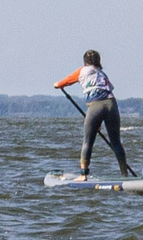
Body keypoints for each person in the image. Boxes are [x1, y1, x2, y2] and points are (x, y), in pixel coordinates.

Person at [53, 50, 129, 178]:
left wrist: (56, 84)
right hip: (112, 104)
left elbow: (60, 84)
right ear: (99, 61)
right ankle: (125, 174)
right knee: (116, 142)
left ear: (85, 62)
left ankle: (83, 175)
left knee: (87, 142)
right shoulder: (102, 74)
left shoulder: (82, 71)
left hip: (95, 107)